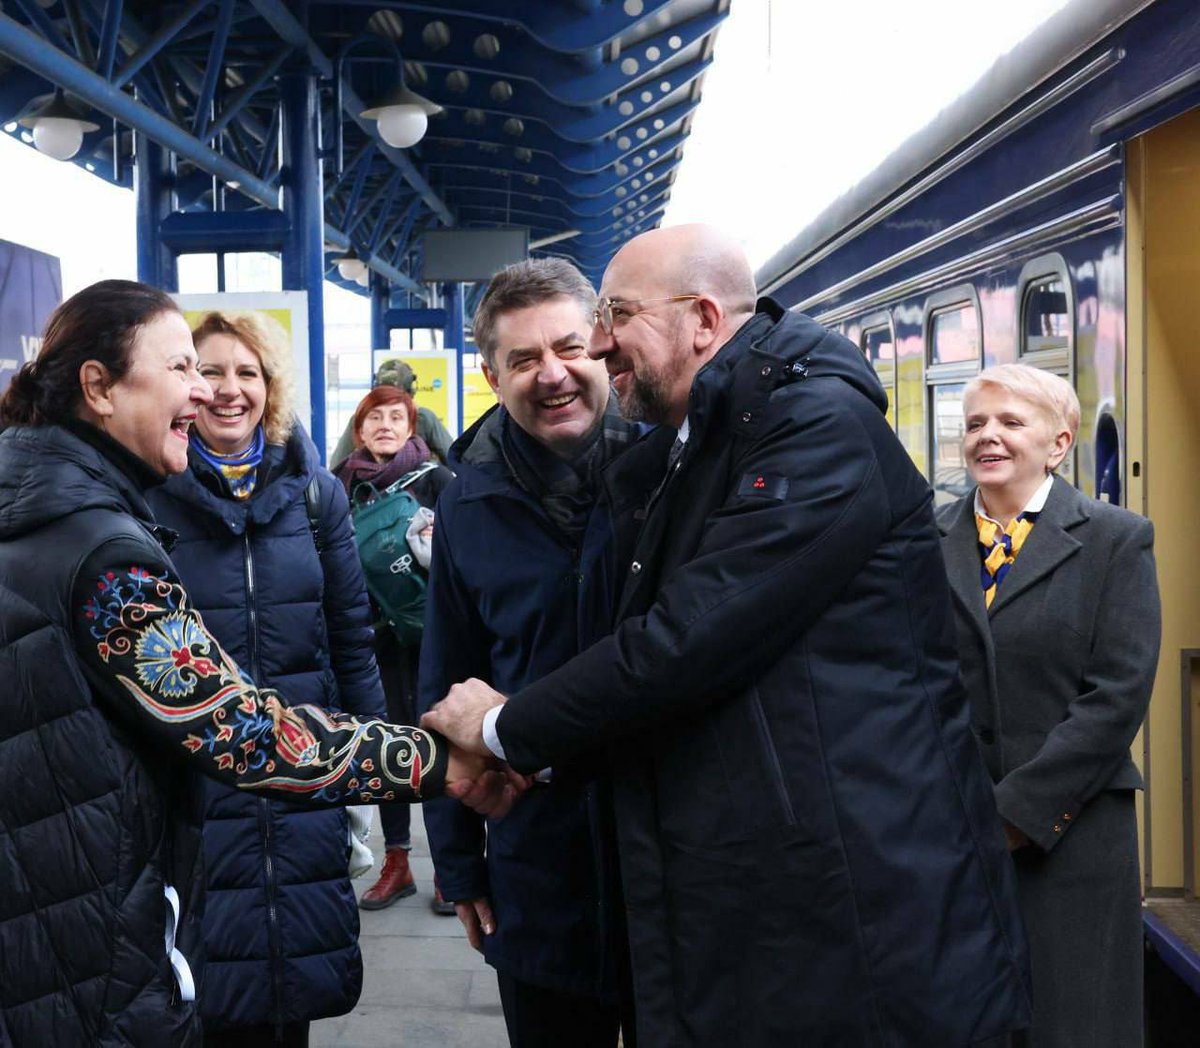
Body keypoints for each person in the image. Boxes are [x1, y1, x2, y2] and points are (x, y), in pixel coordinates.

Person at [424, 225, 1032, 1046]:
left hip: (850, 897)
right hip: (665, 875)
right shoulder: (686, 450)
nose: (595, 351)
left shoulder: (808, 431)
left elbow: (675, 648)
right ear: (492, 377)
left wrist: (500, 732)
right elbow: (461, 661)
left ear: (704, 319)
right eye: (527, 358)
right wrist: (464, 844)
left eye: (609, 320)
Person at [0, 280, 505, 1048]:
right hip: (82, 927)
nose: (204, 391)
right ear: (98, 388)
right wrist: (441, 762)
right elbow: (243, 734)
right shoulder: (106, 557)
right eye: (179, 368)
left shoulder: (31, 505)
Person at [418, 258, 641, 1048]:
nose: (553, 375)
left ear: (605, 344)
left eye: (570, 348)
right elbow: (446, 680)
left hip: (672, 856)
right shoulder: (466, 502)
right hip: (538, 858)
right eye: (523, 359)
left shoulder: (674, 466)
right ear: (489, 373)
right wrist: (459, 863)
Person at [146, 311, 383, 1047]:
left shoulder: (317, 500)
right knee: (203, 996)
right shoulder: (148, 500)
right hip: (190, 793)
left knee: (291, 995)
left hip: (301, 782)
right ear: (184, 386)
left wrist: (367, 785)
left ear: (270, 389)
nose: (228, 389)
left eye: (247, 373)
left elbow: (352, 641)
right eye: (209, 371)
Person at [934, 364, 1159, 1047]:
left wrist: (1013, 816)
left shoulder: (1117, 539)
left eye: (1010, 422)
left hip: (1074, 835)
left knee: (1074, 1023)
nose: (988, 437)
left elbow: (1116, 695)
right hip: (947, 834)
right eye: (975, 424)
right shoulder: (922, 539)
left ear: (1059, 444)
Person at [333, 384, 453, 910]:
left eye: (396, 417)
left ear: (412, 428)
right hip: (373, 641)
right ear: (359, 431)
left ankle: (452, 866)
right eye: (373, 418)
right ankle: (398, 861)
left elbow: (469, 556)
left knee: (445, 746)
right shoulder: (339, 489)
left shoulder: (438, 481)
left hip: (435, 637)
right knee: (389, 747)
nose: (384, 425)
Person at [331, 358, 453, 467]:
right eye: (376, 417)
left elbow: (336, 465)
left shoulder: (362, 418)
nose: (386, 426)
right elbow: (454, 458)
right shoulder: (423, 418)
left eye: (396, 417)